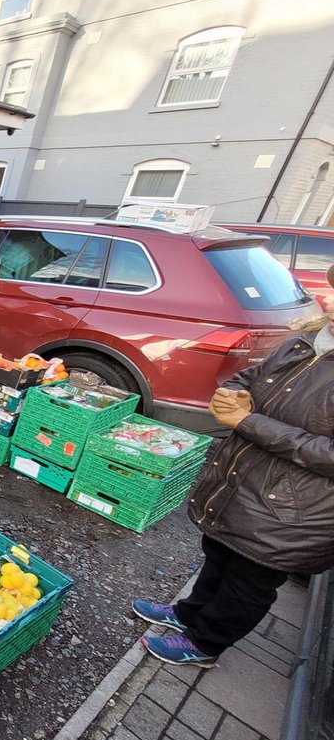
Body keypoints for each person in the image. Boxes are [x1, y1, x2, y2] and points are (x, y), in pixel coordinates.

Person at [132, 266, 334, 667]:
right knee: (220, 553)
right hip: (246, 484)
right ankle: (189, 613)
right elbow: (249, 377)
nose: (328, 299)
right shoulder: (305, 343)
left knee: (249, 581)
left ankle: (206, 644)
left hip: (294, 510)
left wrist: (247, 421)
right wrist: (232, 394)